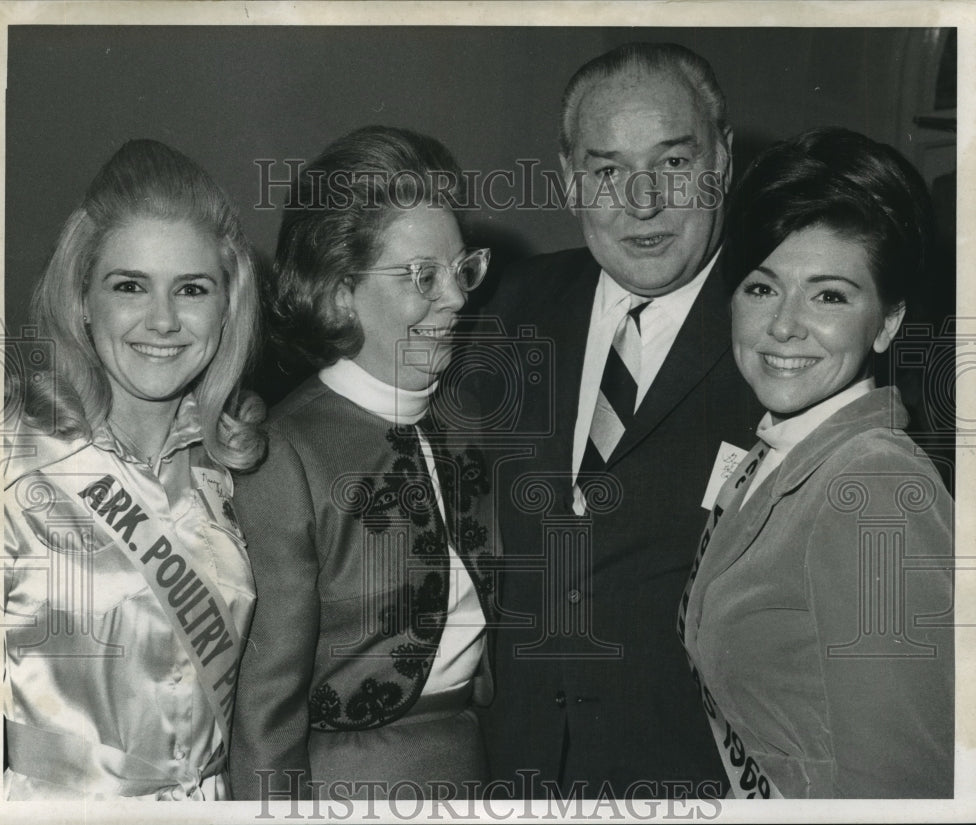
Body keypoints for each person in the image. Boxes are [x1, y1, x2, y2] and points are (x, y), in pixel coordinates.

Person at [477, 42, 760, 798]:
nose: (642, 202)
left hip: (695, 782)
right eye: (607, 171)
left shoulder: (783, 339)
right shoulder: (506, 311)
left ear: (723, 162)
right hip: (518, 776)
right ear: (570, 180)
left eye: (673, 164)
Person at [678, 127, 953, 799]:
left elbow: (904, 785)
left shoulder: (874, 487)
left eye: (829, 295)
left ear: (886, 323)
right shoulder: (775, 450)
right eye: (762, 288)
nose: (783, 326)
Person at [229, 125, 499, 802]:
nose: (459, 299)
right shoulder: (286, 454)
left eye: (463, 269)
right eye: (422, 277)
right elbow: (265, 712)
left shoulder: (466, 426)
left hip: (475, 768)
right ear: (339, 290)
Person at [2, 138, 265, 799]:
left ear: (227, 305)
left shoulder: (236, 462)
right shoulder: (8, 454)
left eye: (193, 289)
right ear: (82, 296)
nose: (164, 321)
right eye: (130, 286)